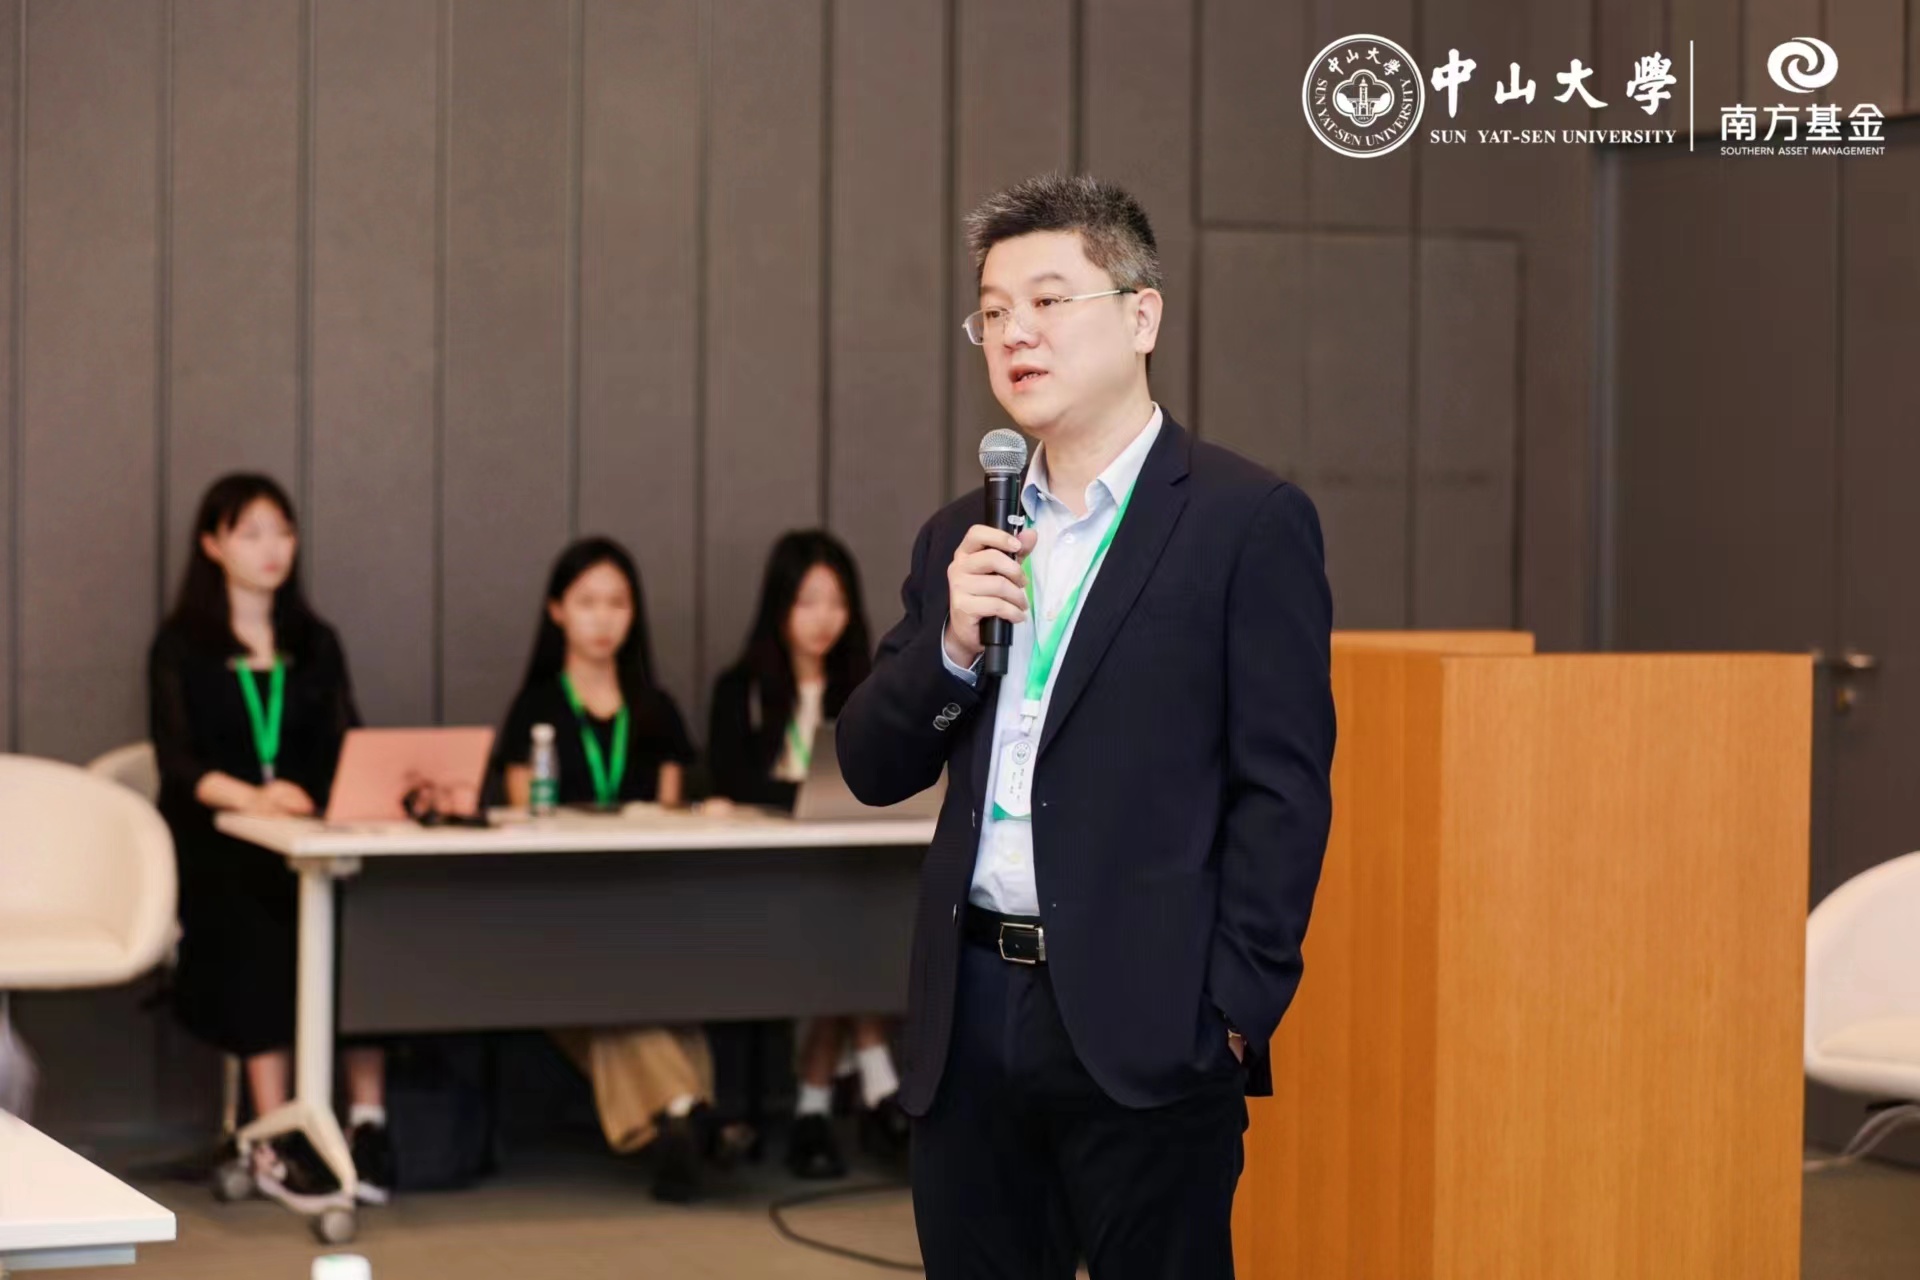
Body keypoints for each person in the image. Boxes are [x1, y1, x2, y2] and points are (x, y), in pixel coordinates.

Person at [834, 174, 1336, 1278]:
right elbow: (870, 763)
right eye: (993, 312)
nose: (1016, 333)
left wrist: (1234, 1010)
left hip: (1152, 1023)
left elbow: (1285, 791)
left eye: (1049, 301)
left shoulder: (1246, 522)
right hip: (971, 1013)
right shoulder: (961, 535)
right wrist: (950, 644)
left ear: (1141, 315)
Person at [149, 473, 392, 1210]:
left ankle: (367, 1121)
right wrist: (254, 797)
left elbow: (347, 741)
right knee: (251, 918)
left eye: (281, 531)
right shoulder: (182, 646)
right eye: (250, 533)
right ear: (212, 544)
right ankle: (274, 1132)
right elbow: (178, 761)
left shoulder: (314, 643)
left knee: (369, 912)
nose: (271, 548)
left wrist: (318, 798)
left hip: (308, 831)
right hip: (218, 840)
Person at [495, 536, 721, 1202]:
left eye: (617, 603)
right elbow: (521, 818)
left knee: (655, 991)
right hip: (558, 914)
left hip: (645, 906)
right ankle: (690, 1114)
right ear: (557, 611)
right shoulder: (536, 707)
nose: (603, 619)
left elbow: (671, 821)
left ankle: (676, 1123)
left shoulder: (656, 708)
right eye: (587, 602)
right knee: (608, 993)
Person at [706, 530, 909, 1179]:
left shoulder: (868, 686)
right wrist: (806, 793)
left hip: (848, 870)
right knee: (837, 939)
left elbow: (886, 774)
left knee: (842, 931)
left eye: (837, 602)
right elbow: (732, 778)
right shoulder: (741, 688)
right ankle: (873, 1085)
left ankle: (816, 1110)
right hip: (767, 879)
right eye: (808, 601)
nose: (824, 618)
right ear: (779, 606)